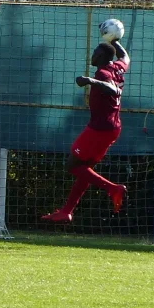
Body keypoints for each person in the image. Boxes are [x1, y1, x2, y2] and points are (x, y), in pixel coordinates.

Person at [42, 39, 130, 223]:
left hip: (99, 129)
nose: (93, 55)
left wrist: (91, 80)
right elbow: (125, 56)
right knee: (84, 169)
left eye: (96, 53)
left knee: (72, 165)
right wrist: (114, 40)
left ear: (102, 57)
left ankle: (113, 188)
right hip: (112, 127)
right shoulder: (118, 67)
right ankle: (67, 211)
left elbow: (113, 89)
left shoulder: (103, 72)